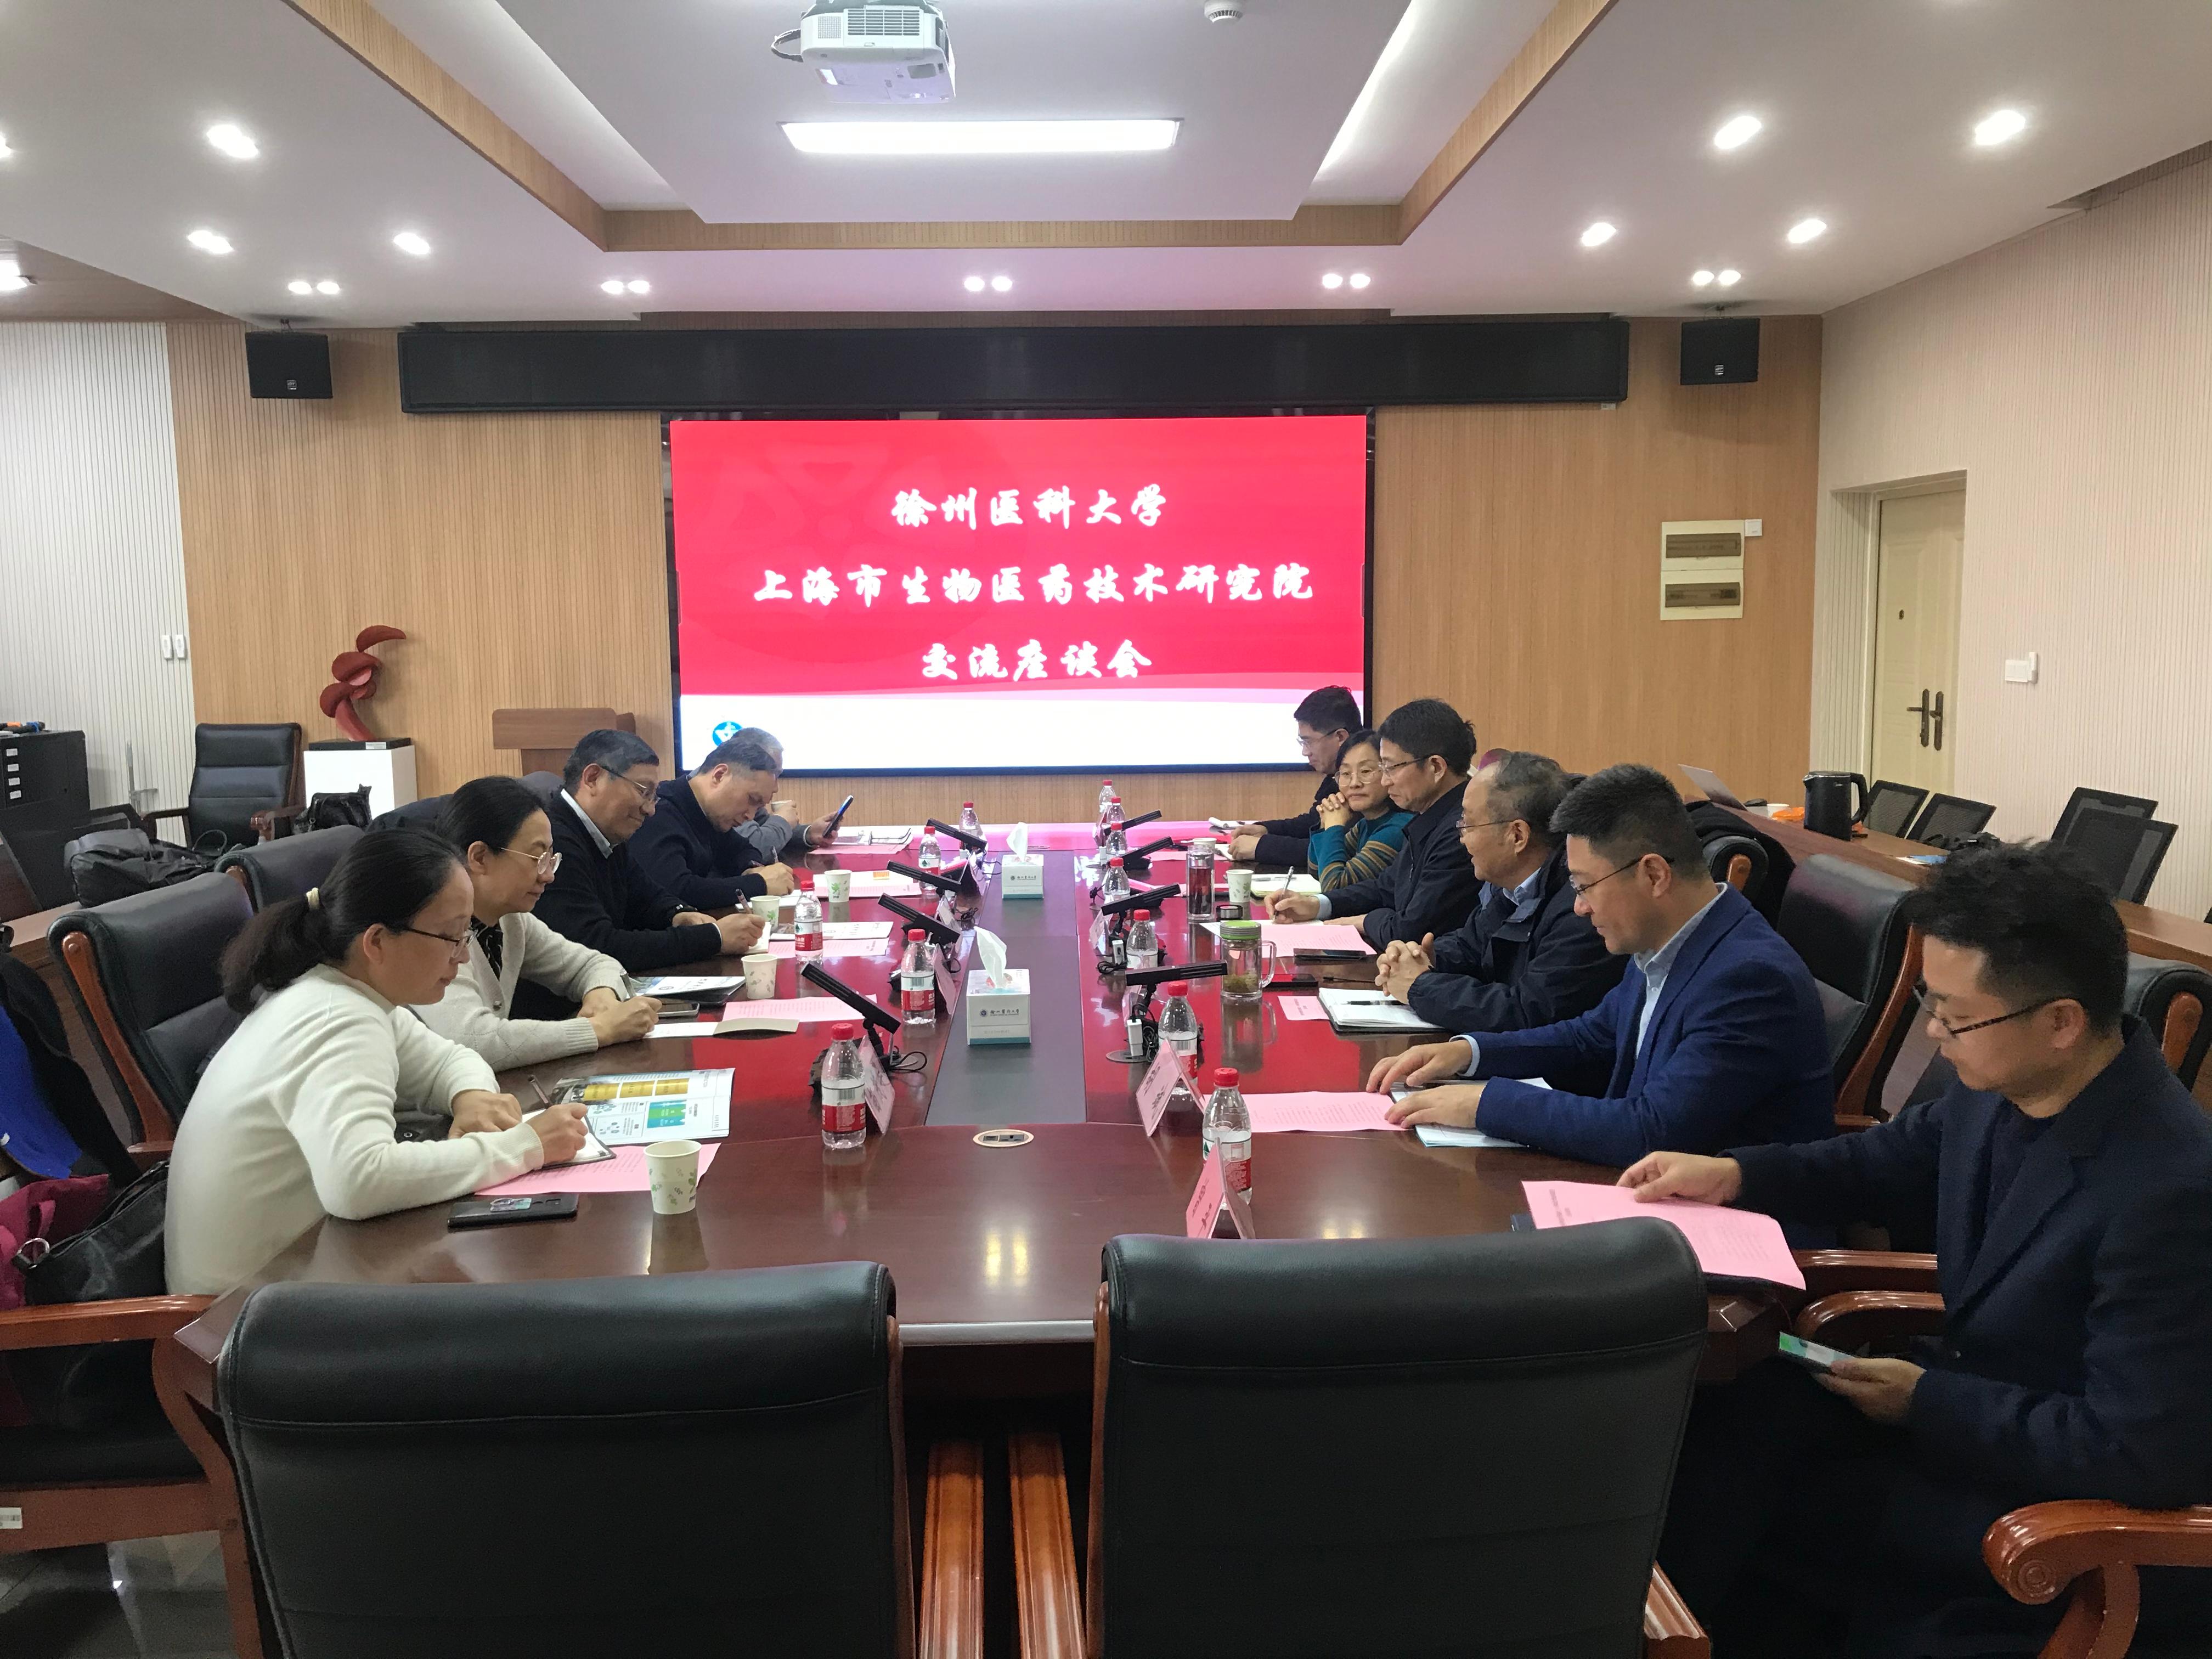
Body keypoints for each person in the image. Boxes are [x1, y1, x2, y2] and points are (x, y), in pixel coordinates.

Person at [1628, 844, 2212, 1659]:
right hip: (1964, 1440)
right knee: (1721, 1423)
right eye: (1930, 1005)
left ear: (2061, 1022)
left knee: (1745, 1522)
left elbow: (2135, 1452)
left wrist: (1927, 1402)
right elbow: (1880, 1161)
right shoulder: (2009, 1086)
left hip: (2046, 1533)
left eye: (1954, 1014)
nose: (1934, 1033)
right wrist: (1734, 1174)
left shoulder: (2170, 1190)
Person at [165, 830, 591, 1295]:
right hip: (238, 1315)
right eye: (451, 937)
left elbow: (449, 1058)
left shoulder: (348, 993)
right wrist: (527, 1145)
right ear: (377, 941)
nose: (463, 955)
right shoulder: (337, 1018)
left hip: (298, 1276)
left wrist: (471, 1097)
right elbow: (361, 1180)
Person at [1370, 762, 1832, 1166]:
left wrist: (1486, 1104)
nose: (1579, 907)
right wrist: (1469, 1053)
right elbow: (1592, 1034)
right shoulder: (1668, 938)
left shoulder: (1749, 979)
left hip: (1728, 1226)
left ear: (1654, 874)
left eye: (1585, 886)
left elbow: (1651, 1129)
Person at [1373, 751, 1623, 1090]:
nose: (1461, 836)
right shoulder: (1514, 886)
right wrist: (1419, 958)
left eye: (1468, 824)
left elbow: (1527, 1014)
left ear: (1517, 835)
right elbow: (1471, 945)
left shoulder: (1580, 908)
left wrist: (1420, 986)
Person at [411, 776, 662, 1068]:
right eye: (536, 857)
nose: (549, 876)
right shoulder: (429, 930)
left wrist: (601, 996)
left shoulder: (512, 922)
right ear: (480, 857)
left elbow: (595, 963)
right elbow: (474, 1041)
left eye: (550, 859)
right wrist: (599, 1029)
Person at [523, 730, 764, 1018]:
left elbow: (646, 895)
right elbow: (597, 945)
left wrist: (678, 914)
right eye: (643, 792)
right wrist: (713, 938)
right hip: (562, 1015)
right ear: (593, 778)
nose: (650, 810)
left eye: (654, 796)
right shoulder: (554, 840)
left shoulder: (605, 834)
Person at [1262, 698, 1482, 947]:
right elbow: (1384, 887)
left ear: (1435, 767)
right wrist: (1316, 905)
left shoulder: (1461, 829)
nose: (1385, 781)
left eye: (1390, 768)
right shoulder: (1429, 818)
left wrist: (1364, 921)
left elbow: (1412, 929)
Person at [630, 729, 800, 909]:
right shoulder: (658, 812)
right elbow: (676, 890)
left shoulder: (708, 813)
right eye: (752, 799)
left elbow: (742, 849)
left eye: (758, 807)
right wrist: (759, 883)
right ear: (720, 776)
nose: (750, 816)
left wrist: (752, 868)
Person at [1221, 685, 1359, 866]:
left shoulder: (1362, 785)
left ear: (1340, 737)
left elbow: (1342, 850)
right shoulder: (1335, 778)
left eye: (1309, 742)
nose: (1305, 752)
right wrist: (1266, 830)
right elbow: (1313, 822)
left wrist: (1262, 847)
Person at [1307, 729, 1414, 891]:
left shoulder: (1398, 828)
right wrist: (1324, 824)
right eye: (1346, 773)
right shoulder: (1365, 824)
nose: (1354, 783)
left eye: (1365, 771)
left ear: (1388, 771)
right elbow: (1316, 870)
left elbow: (1334, 887)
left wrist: (1334, 827)